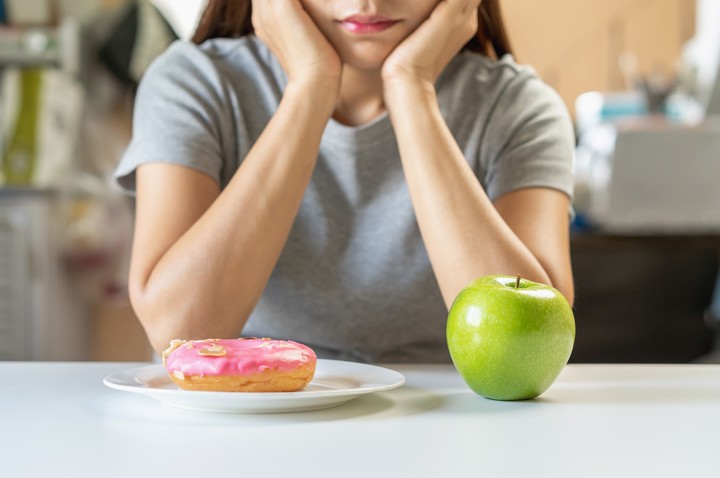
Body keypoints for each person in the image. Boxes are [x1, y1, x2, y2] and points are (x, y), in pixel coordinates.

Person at [114, 0, 575, 363]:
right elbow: (180, 332)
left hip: (448, 416)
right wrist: (311, 87)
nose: (368, 1)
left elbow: (525, 348)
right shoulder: (195, 82)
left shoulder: (519, 107)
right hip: (246, 411)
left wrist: (412, 88)